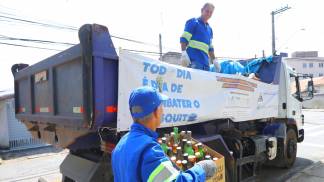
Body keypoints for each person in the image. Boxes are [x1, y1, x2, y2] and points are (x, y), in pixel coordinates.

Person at [112, 86, 217, 182]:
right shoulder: (149, 151)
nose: (163, 110)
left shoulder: (120, 145)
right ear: (156, 112)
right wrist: (201, 170)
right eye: (161, 106)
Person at [180, 3, 220, 72]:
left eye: (211, 12)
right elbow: (184, 38)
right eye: (207, 11)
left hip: (205, 64)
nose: (209, 14)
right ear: (202, 10)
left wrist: (214, 60)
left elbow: (210, 48)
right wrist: (183, 53)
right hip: (194, 61)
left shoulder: (209, 29)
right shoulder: (193, 22)